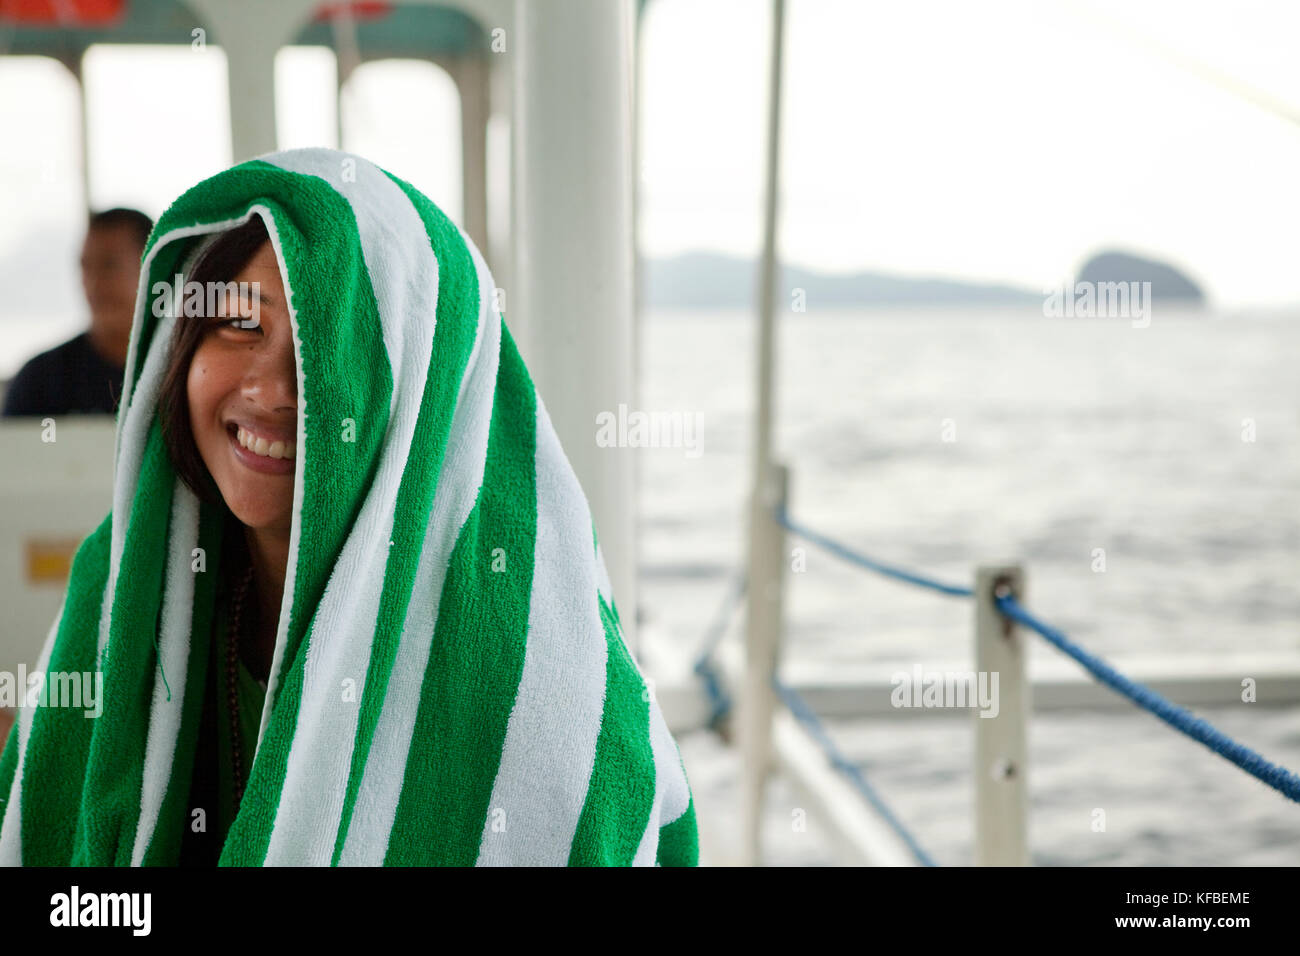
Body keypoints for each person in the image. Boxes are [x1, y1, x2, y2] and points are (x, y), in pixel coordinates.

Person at [0, 147, 698, 866]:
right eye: (240, 324)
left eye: (329, 347)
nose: (272, 392)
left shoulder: (551, 700)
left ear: (422, 397)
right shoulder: (119, 589)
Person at [1, 207, 153, 417]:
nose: (93, 284)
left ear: (155, 268)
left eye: (109, 265)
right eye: (85, 266)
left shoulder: (186, 371)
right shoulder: (40, 381)